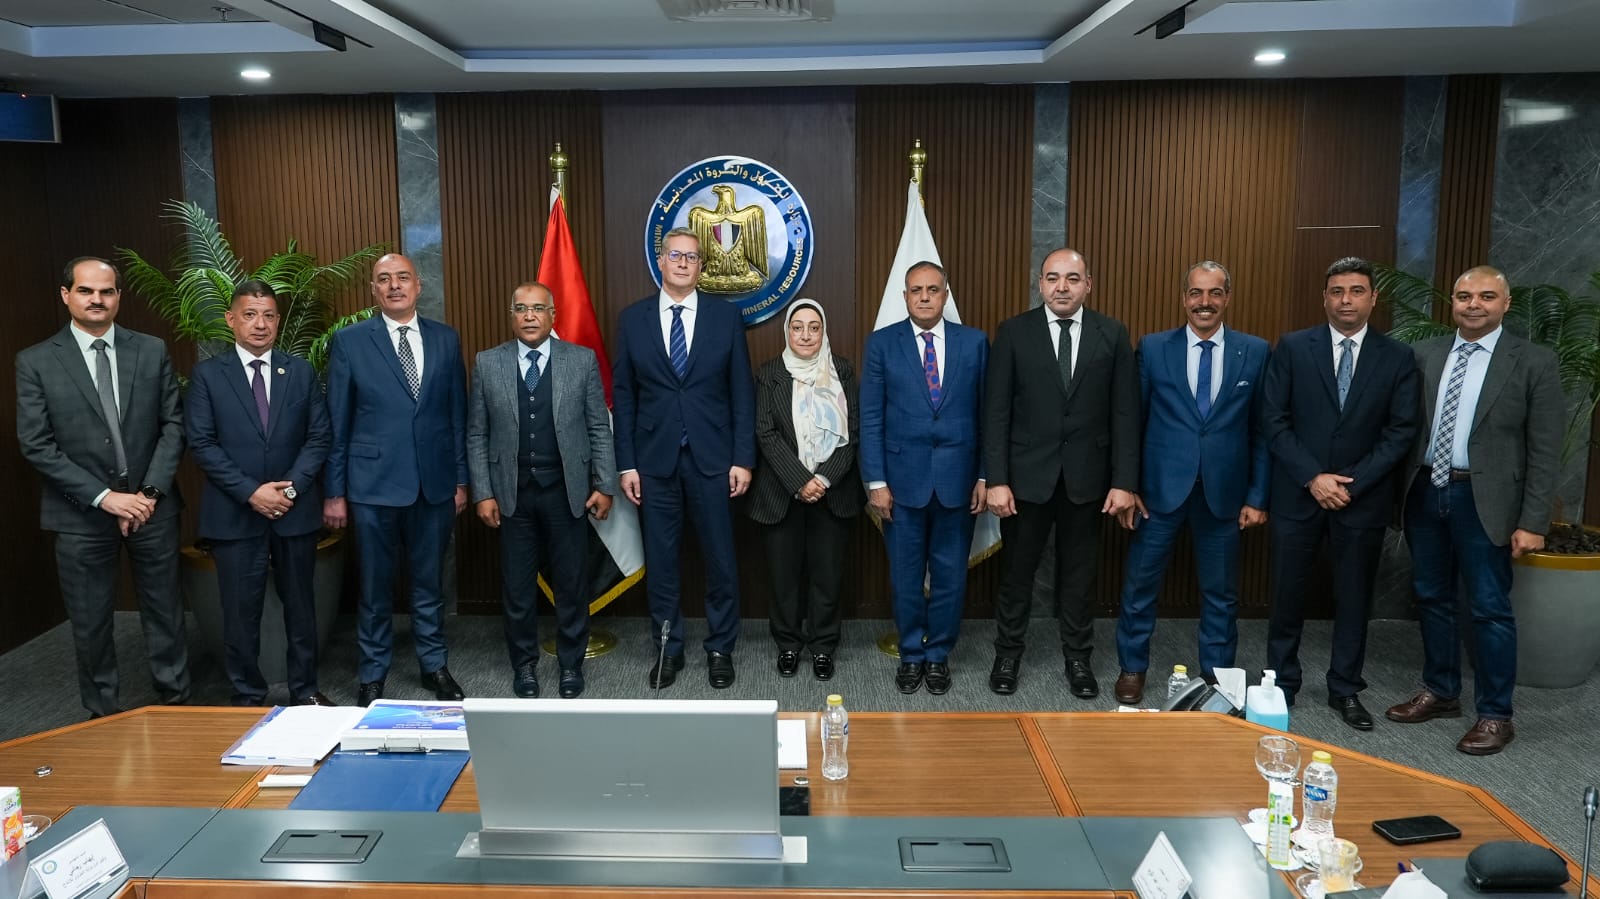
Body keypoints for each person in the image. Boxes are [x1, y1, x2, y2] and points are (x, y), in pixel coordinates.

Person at [1387, 265, 1563, 756]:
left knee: (1488, 607)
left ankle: (1495, 715)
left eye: (1486, 296)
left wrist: (1533, 521)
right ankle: (1441, 691)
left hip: (1486, 500)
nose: (1474, 305)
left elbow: (1545, 449)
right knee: (1431, 597)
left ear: (1506, 304)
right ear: (1453, 303)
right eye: (1465, 296)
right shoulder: (1424, 354)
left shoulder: (1533, 361)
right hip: (1425, 490)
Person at [15, 256, 191, 717]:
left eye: (106, 291)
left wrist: (148, 494)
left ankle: (176, 705)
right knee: (91, 624)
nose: (97, 299)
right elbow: (37, 444)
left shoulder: (150, 350)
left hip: (152, 509)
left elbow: (173, 426)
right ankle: (102, 718)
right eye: (86, 290)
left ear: (118, 297)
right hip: (81, 514)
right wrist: (106, 497)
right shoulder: (35, 361)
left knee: (166, 613)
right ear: (66, 294)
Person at [1262, 256, 1420, 730]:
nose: (1346, 300)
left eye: (1356, 291)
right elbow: (1273, 420)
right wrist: (1314, 477)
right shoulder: (1293, 347)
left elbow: (1400, 430)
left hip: (1360, 499)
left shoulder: (1398, 357)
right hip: (1298, 494)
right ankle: (1281, 683)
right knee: (1286, 595)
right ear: (1324, 298)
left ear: (1373, 298)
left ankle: (1345, 688)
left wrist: (1353, 482)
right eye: (1337, 291)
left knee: (1354, 598)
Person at [1111, 261, 1270, 704]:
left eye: (1215, 293)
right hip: (1158, 492)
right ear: (1184, 298)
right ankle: (1132, 667)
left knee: (1221, 594)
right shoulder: (1153, 347)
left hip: (1224, 494)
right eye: (1197, 293)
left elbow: (1262, 430)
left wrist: (1258, 495)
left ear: (1227, 298)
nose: (1205, 302)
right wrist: (1129, 485)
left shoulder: (1255, 351)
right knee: (1140, 586)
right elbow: (1133, 422)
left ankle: (1217, 678)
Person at [983, 247, 1138, 698]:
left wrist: (1124, 482)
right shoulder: (1014, 332)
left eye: (1072, 279)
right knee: (1016, 575)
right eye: (1053, 278)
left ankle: (1078, 659)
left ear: (1088, 284)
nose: (1062, 287)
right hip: (1025, 481)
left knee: (1080, 577)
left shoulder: (1112, 333)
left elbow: (1126, 413)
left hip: (1088, 481)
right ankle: (1007, 655)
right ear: (1041, 284)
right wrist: (996, 479)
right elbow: (996, 412)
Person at [612, 228, 756, 690]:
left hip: (714, 460)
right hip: (654, 463)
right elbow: (624, 396)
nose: (682, 263)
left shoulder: (725, 317)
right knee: (662, 562)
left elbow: (741, 392)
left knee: (721, 560)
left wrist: (743, 458)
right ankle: (667, 648)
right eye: (675, 255)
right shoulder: (632, 319)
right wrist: (626, 464)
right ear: (660, 260)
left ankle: (720, 648)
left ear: (701, 266)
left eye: (692, 257)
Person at [323, 253, 469, 706]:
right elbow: (337, 423)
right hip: (372, 487)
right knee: (374, 587)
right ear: (373, 290)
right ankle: (372, 673)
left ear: (418, 285)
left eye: (402, 277)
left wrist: (461, 479)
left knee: (430, 584)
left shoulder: (446, 339)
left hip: (434, 484)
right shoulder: (349, 342)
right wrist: (334, 491)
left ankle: (434, 664)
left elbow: (457, 417)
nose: (394, 286)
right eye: (384, 279)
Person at [185, 280, 332, 707]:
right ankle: (247, 695)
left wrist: (291, 489)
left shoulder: (299, 372)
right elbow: (202, 444)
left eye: (268, 315)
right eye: (249, 315)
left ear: (278, 320)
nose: (260, 324)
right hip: (235, 513)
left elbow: (319, 437)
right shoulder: (208, 375)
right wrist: (252, 493)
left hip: (294, 511)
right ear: (231, 319)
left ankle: (305, 691)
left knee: (301, 607)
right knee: (239, 611)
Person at [467, 282, 616, 699]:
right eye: (521, 309)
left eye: (537, 308)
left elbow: (598, 427)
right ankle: (524, 666)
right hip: (511, 495)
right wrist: (483, 492)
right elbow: (477, 433)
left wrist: (605, 484)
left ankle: (571, 665)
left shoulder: (581, 360)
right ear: (511, 316)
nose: (529, 316)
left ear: (553, 315)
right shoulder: (487, 363)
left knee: (571, 585)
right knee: (517, 589)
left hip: (566, 493)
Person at [860, 260, 988, 695]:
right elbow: (871, 416)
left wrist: (984, 475)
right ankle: (912, 654)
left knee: (951, 577)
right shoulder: (882, 344)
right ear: (905, 296)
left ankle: (938, 656)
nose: (925, 297)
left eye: (933, 289)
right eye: (916, 290)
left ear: (945, 295)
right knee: (906, 577)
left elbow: (987, 415)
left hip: (958, 481)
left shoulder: (974, 343)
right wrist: (876, 481)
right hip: (901, 484)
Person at [748, 298, 862, 681]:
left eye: (814, 327)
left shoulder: (842, 370)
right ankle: (788, 644)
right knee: (783, 577)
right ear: (787, 332)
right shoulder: (769, 373)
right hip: (781, 494)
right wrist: (800, 480)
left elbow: (853, 432)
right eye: (798, 327)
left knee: (827, 576)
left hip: (833, 492)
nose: (806, 335)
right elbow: (765, 432)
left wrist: (823, 479)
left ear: (823, 331)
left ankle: (823, 646)